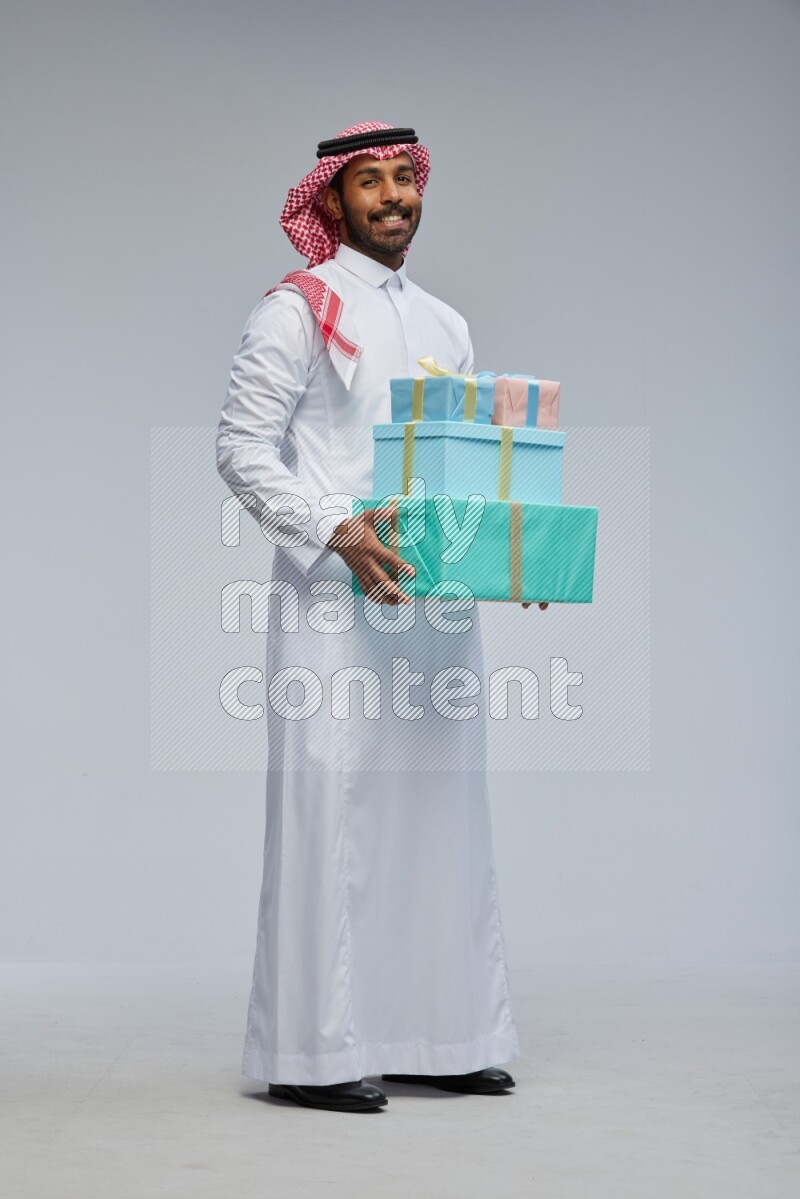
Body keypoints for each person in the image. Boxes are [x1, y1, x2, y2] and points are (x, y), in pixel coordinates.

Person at [216, 122, 547, 1114]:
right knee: (332, 817)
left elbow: (464, 466)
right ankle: (311, 1054)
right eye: (371, 181)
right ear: (329, 201)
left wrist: (512, 553)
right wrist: (335, 530)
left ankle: (443, 1035)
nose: (394, 196)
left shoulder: (446, 323)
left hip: (435, 607)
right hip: (334, 600)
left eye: (405, 177)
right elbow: (240, 449)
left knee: (441, 817)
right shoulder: (295, 309)